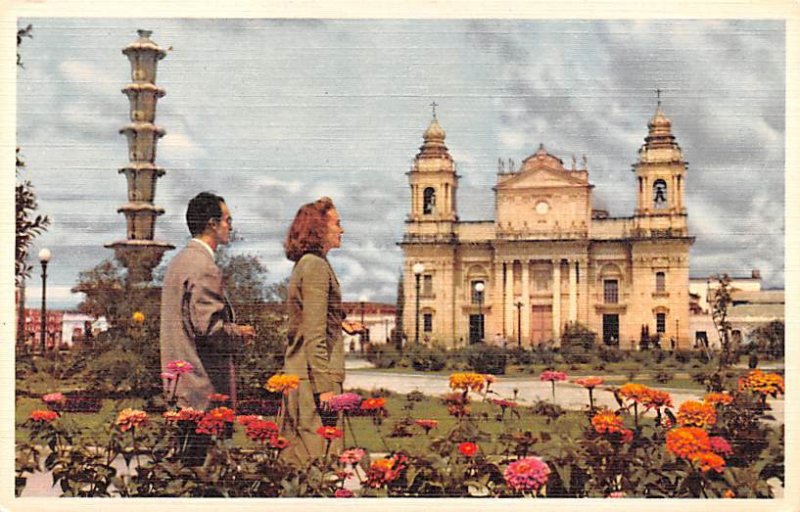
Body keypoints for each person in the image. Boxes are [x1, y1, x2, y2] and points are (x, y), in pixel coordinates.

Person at [160, 192, 255, 412]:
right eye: (227, 221)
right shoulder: (204, 267)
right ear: (213, 224)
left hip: (179, 388)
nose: (230, 227)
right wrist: (240, 333)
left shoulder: (179, 262)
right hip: (201, 392)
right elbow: (209, 329)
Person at [280, 196, 346, 466]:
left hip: (300, 376)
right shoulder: (316, 266)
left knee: (296, 462)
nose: (342, 230)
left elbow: (310, 318)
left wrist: (340, 322)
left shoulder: (307, 264)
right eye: (337, 224)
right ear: (320, 228)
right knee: (320, 465)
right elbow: (314, 334)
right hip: (313, 381)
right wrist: (325, 389)